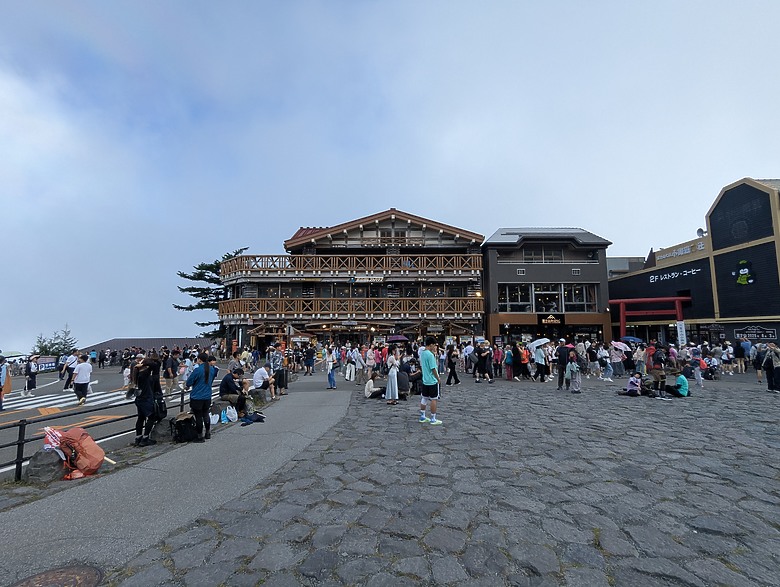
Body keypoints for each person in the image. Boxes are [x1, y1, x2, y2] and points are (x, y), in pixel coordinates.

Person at [186, 352, 218, 442]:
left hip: (197, 396)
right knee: (206, 414)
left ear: (199, 359)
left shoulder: (197, 370)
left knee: (198, 416)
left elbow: (189, 382)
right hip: (207, 395)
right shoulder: (212, 369)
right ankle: (208, 432)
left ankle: (200, 436)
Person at [133, 356, 162, 446]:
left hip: (140, 399)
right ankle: (145, 438)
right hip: (146, 399)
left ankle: (138, 437)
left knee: (141, 418)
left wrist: (142, 364)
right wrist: (145, 363)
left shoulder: (138, 373)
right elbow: (155, 365)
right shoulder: (145, 375)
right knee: (151, 417)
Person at [418, 337, 443, 425]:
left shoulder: (423, 353)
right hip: (432, 380)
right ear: (431, 344)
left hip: (425, 379)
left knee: (424, 398)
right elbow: (433, 368)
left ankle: (422, 416)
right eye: (434, 345)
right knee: (434, 399)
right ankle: (433, 418)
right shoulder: (430, 355)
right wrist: (438, 378)